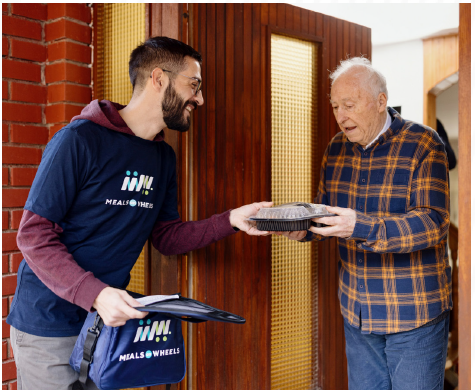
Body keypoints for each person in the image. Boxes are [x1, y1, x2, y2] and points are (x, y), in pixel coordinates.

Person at [7, 37, 272, 390]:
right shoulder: (79, 140)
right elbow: (33, 234)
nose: (200, 99)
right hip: (49, 325)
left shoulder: (162, 159)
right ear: (158, 78)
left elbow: (167, 237)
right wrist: (97, 294)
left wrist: (231, 220)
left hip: (104, 326)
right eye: (194, 85)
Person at [280, 57, 451, 390]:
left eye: (349, 105)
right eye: (335, 107)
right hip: (358, 312)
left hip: (413, 311)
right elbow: (328, 217)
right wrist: (303, 229)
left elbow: (433, 223)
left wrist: (361, 226)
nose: (341, 116)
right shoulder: (335, 149)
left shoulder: (424, 144)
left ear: (380, 102)